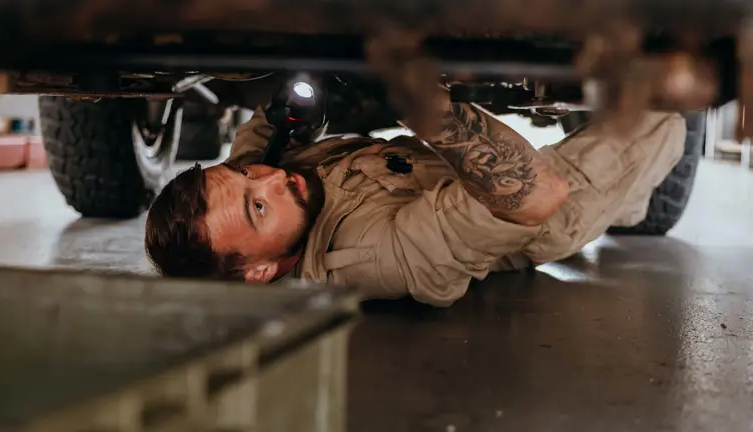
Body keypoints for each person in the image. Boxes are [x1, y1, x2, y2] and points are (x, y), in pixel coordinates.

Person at [144, 86, 686, 307]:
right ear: (260, 272)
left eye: (248, 176)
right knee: (662, 114)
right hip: (529, 210)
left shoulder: (258, 193)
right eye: (257, 206)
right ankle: (629, 203)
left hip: (415, 159)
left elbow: (252, 149)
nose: (272, 180)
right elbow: (537, 192)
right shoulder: (374, 256)